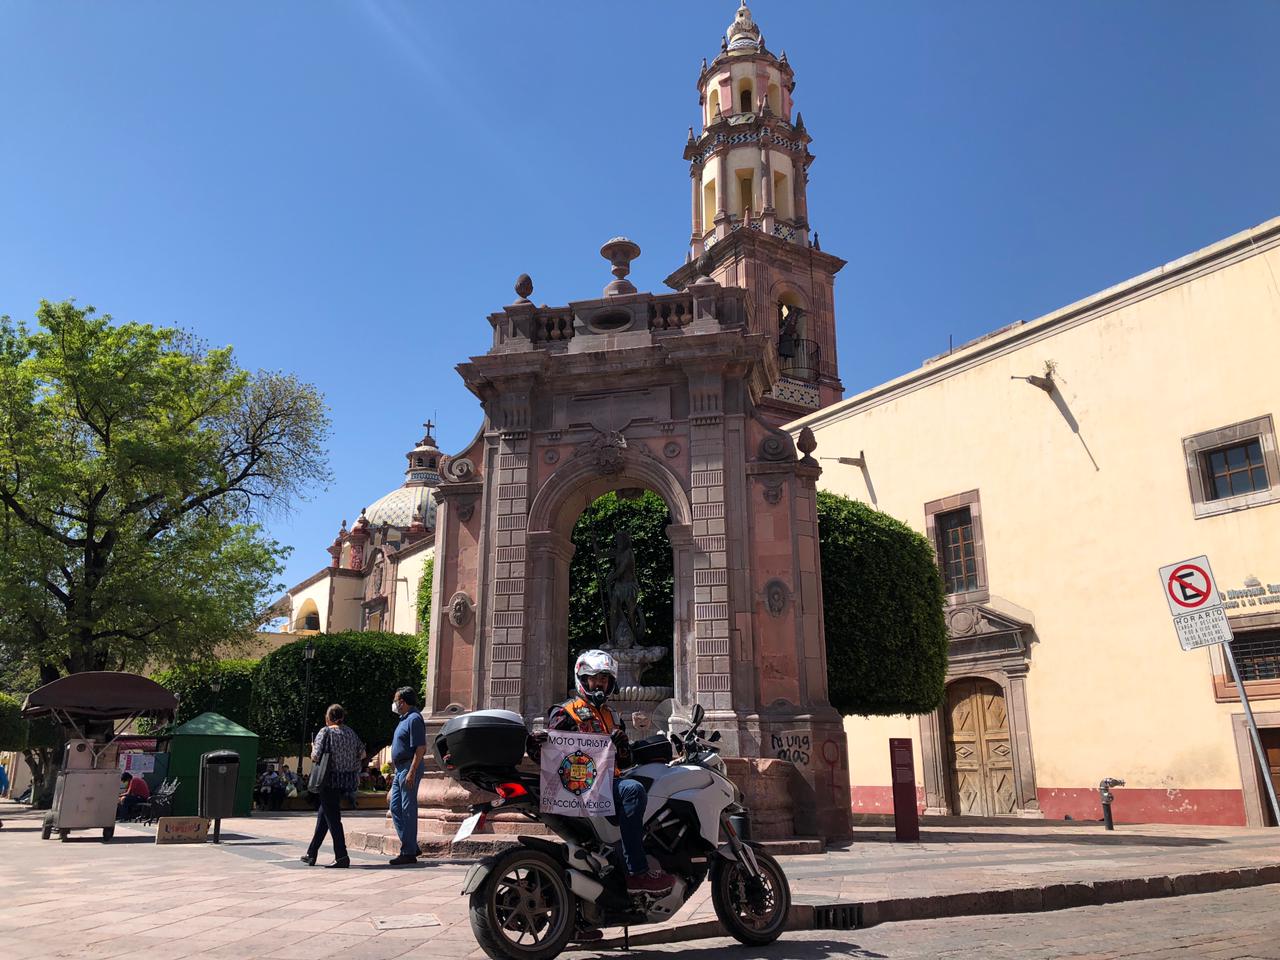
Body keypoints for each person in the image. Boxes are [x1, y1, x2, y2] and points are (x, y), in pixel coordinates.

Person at [536, 650, 674, 895]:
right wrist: (537, 744)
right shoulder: (565, 711)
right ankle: (637, 871)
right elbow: (551, 750)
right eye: (594, 677)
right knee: (633, 790)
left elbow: (625, 759)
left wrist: (622, 746)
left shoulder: (612, 716)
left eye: (604, 678)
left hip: (608, 782)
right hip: (583, 786)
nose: (599, 682)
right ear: (582, 679)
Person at [300, 704, 365, 869]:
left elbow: (315, 757)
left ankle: (342, 856)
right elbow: (362, 753)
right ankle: (311, 853)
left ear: (329, 717)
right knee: (325, 815)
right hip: (346, 780)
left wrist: (313, 747)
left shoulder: (325, 732)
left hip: (328, 780)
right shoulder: (350, 732)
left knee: (333, 819)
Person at [388, 686, 426, 865]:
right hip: (400, 769)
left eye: (397, 700)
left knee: (407, 809)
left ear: (403, 701)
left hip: (408, 767)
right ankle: (411, 845)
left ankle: (408, 852)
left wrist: (411, 771)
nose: (395, 703)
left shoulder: (414, 719)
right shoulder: (404, 719)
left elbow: (420, 748)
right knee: (395, 807)